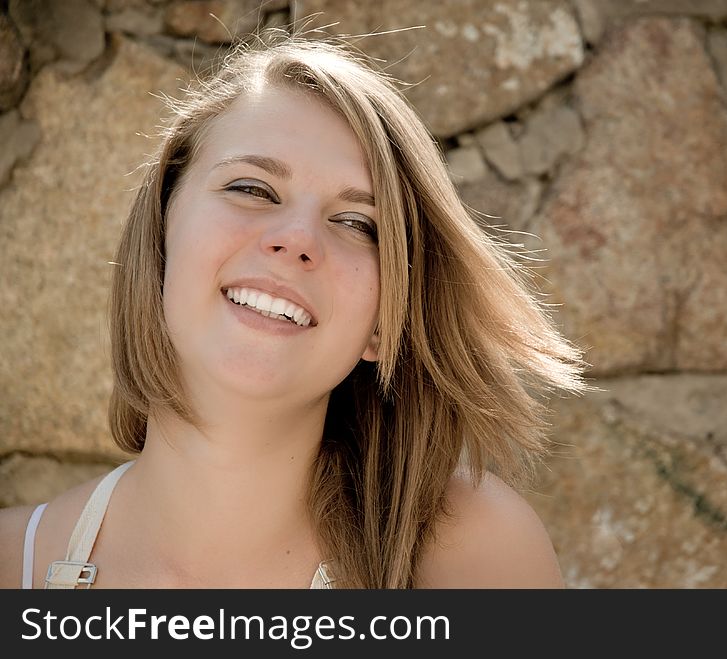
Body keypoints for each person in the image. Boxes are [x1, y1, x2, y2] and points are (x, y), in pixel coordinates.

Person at [0, 32, 588, 589]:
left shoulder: (478, 561)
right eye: (252, 189)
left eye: (357, 223)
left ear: (386, 325)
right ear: (158, 238)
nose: (298, 238)